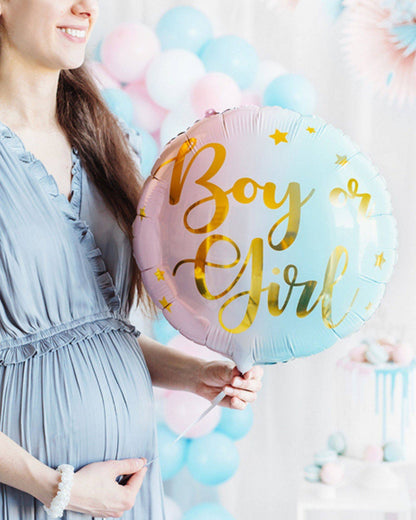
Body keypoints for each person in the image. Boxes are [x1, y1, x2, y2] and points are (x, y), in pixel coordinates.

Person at [0, 0, 264, 518]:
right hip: (33, 496)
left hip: (124, 496)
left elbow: (94, 333)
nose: (85, 7)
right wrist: (57, 487)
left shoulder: (98, 141)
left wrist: (195, 374)